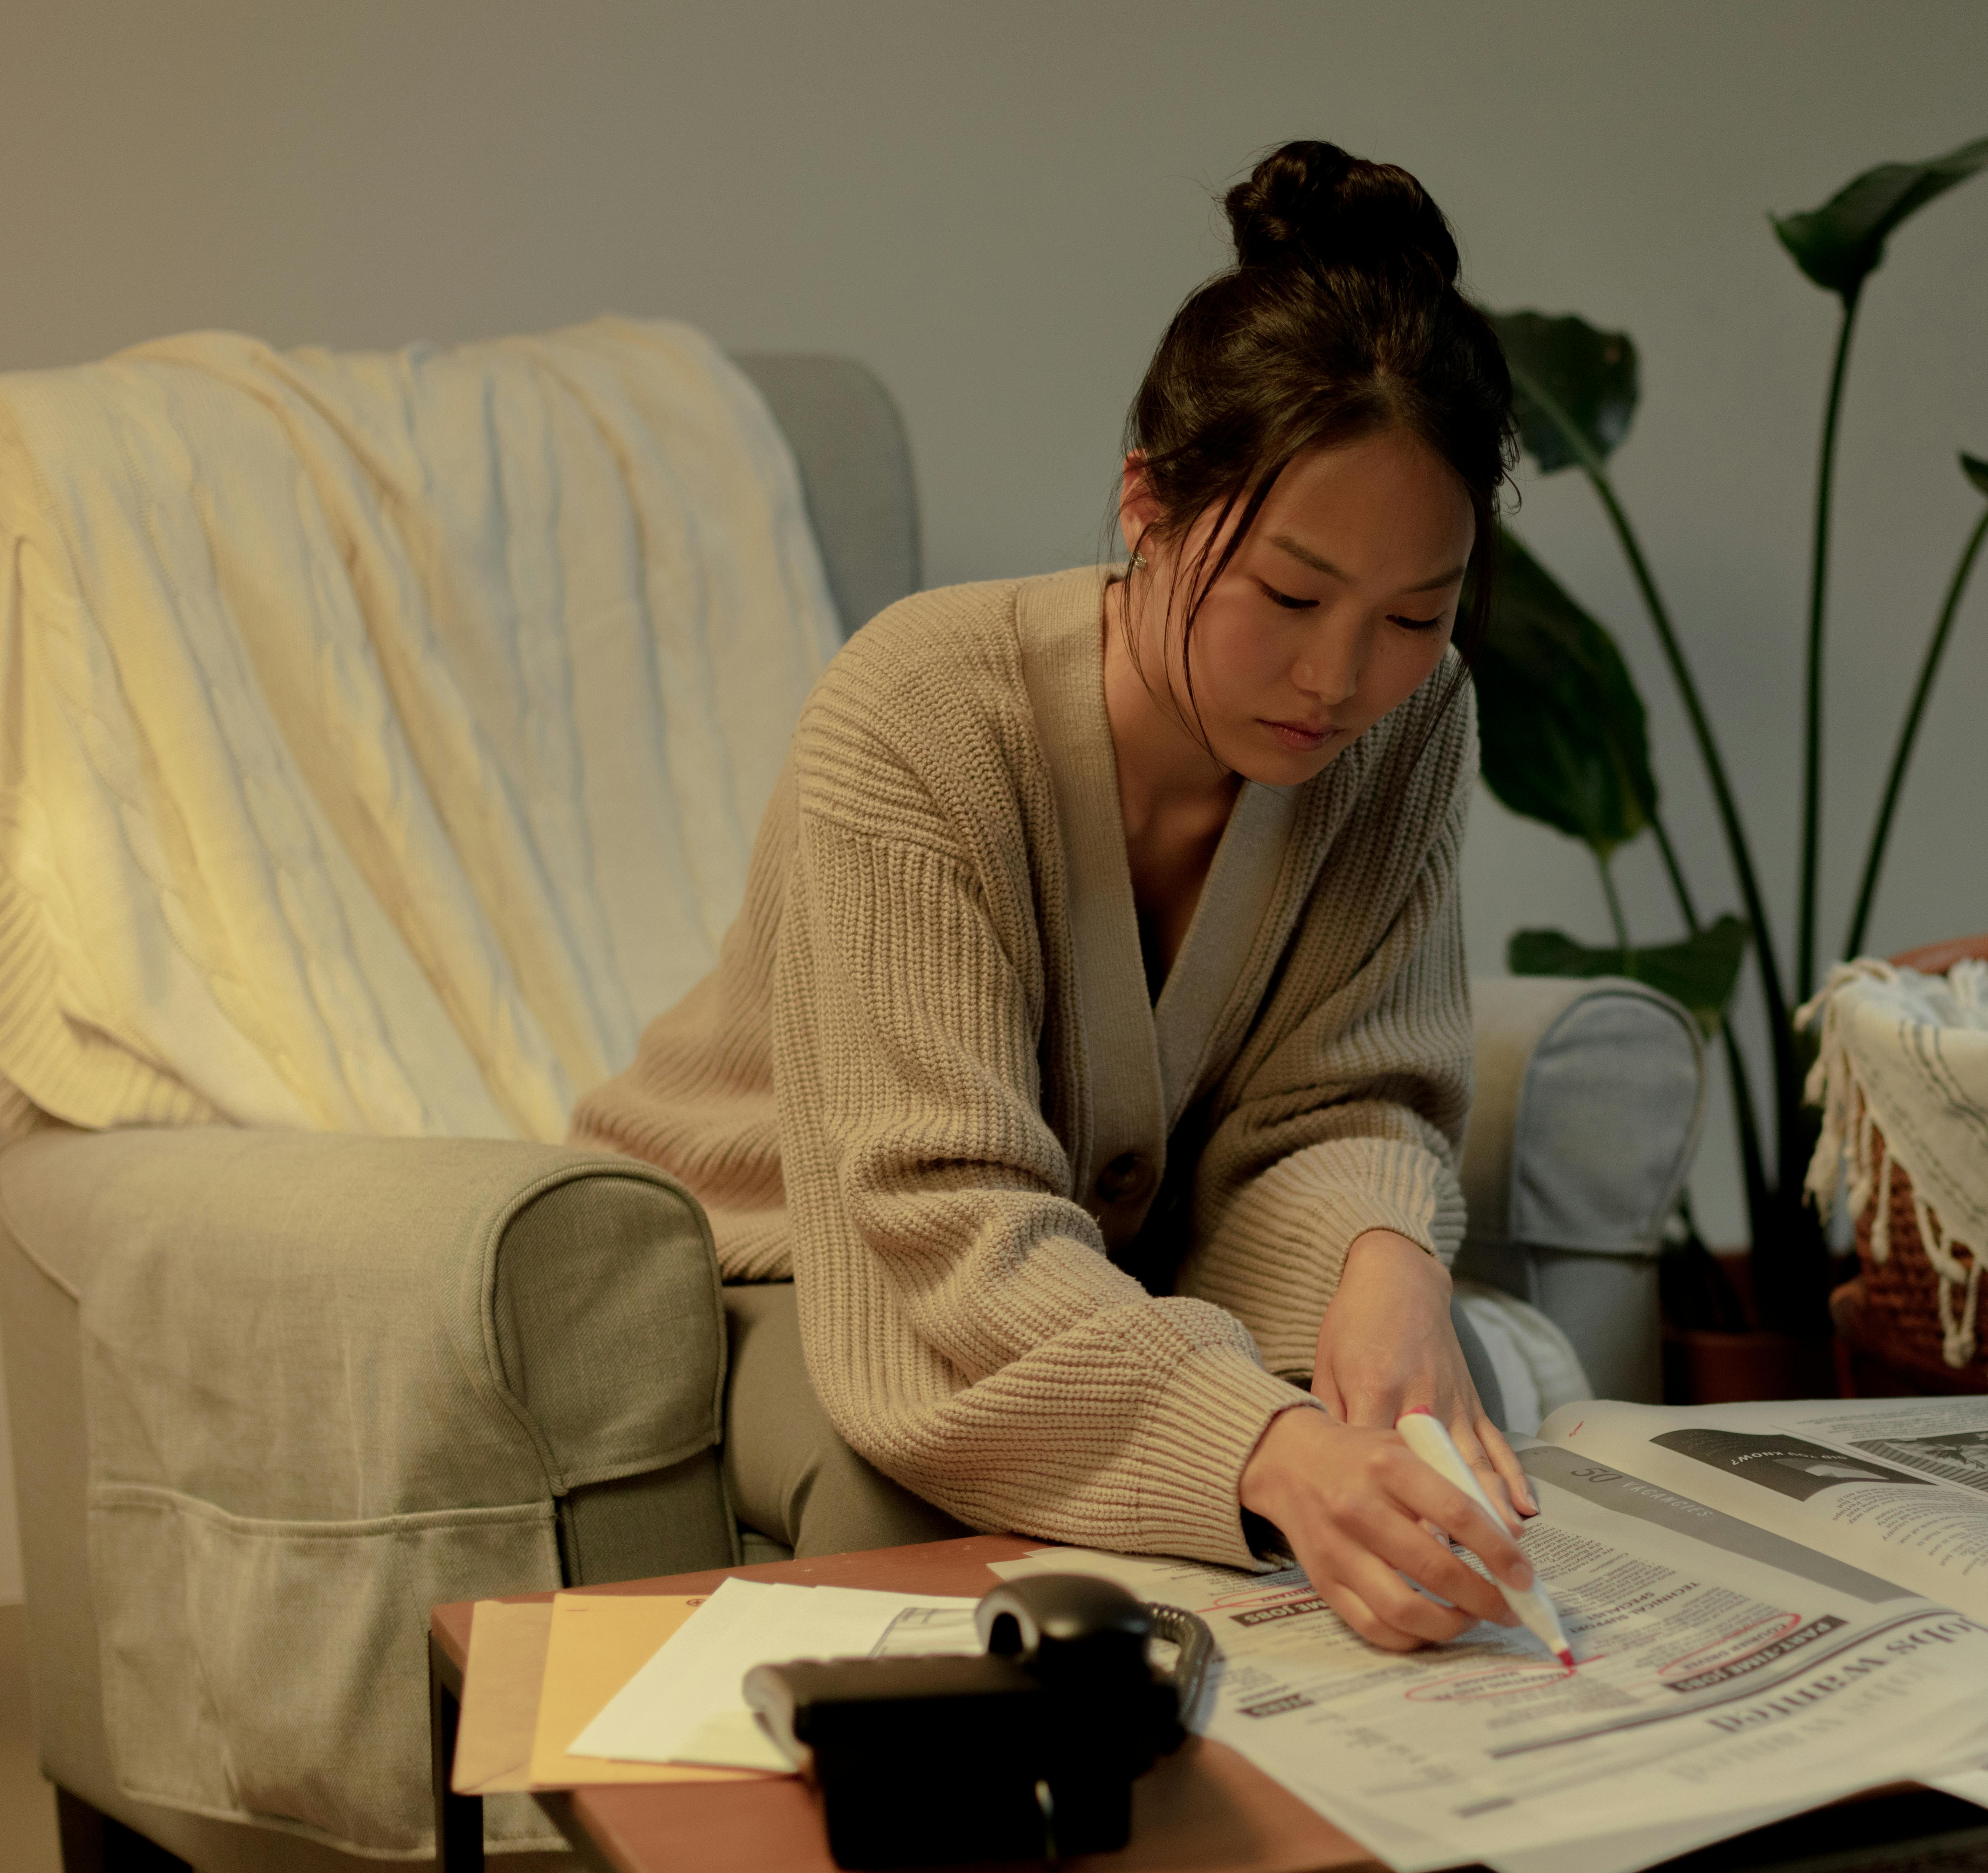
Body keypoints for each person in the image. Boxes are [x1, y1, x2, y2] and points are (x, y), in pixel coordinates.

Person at [572, 140, 1534, 1653]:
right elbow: (937, 1225)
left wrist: (1383, 1256)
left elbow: (1343, 1102)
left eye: (1413, 615)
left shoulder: (1408, 727)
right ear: (1146, 502)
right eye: (1287, 597)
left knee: (1425, 1402)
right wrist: (1260, 1445)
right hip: (794, 1255)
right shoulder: (917, 715)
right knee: (930, 1512)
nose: (1339, 678)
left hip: (1109, 1270)